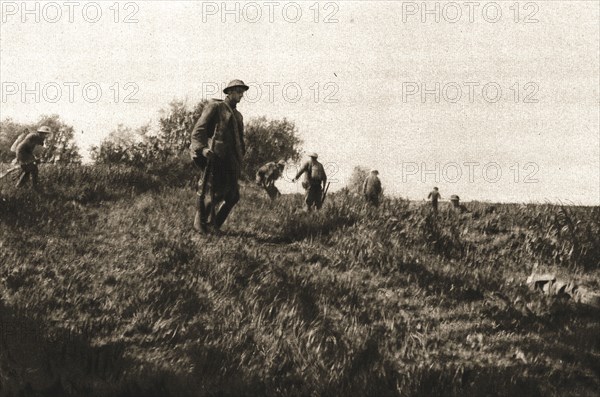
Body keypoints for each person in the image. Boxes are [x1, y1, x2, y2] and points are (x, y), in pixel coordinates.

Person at [190, 79, 249, 233]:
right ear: (229, 92)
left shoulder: (238, 115)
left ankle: (213, 224)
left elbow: (240, 139)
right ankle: (201, 225)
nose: (241, 95)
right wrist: (202, 149)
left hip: (232, 160)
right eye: (238, 91)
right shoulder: (216, 107)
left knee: (233, 196)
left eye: (242, 92)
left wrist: (241, 155)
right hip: (216, 156)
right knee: (212, 192)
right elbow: (198, 131)